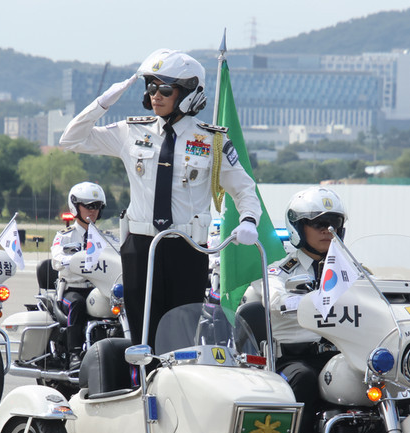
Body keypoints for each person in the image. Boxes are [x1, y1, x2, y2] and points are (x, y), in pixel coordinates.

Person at [59, 48, 262, 349]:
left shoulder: (211, 141)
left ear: (189, 93)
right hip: (141, 247)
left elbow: (245, 189)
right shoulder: (130, 132)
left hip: (188, 248)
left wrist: (248, 221)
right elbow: (71, 139)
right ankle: (144, 388)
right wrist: (103, 103)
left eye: (165, 89)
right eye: (151, 87)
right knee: (143, 334)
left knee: (182, 331)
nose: (155, 95)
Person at [242, 186, 347, 433]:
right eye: (318, 223)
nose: (327, 230)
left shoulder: (353, 271)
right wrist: (303, 301)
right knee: (304, 378)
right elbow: (276, 298)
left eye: (333, 222)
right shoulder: (277, 271)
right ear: (298, 228)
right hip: (292, 359)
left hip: (343, 355)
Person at [51, 181, 112, 369]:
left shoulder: (106, 237)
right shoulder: (65, 236)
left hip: (98, 290)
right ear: (76, 206)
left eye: (97, 206)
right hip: (71, 290)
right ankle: (74, 354)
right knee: (76, 304)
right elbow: (57, 259)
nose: (93, 211)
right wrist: (73, 260)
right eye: (88, 206)